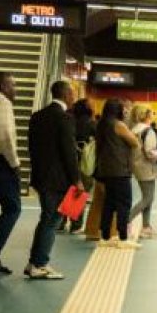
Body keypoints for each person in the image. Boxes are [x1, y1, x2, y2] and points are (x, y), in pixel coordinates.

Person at [26, 81, 82, 279]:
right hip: (58, 180)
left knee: (47, 218)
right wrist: (77, 180)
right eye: (73, 93)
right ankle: (39, 264)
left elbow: (31, 147)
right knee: (51, 219)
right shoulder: (65, 119)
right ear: (66, 94)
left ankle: (34, 261)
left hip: (41, 176)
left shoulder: (37, 116)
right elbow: (69, 153)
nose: (74, 97)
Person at [94, 99, 142, 249]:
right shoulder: (118, 125)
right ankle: (122, 238)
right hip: (120, 170)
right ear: (118, 110)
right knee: (124, 203)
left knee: (109, 204)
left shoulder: (101, 124)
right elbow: (134, 142)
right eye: (123, 109)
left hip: (106, 169)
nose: (125, 111)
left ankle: (105, 236)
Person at [129, 104, 157, 239]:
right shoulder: (148, 131)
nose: (153, 115)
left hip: (137, 166)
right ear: (146, 115)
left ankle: (146, 227)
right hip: (147, 167)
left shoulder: (134, 129)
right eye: (151, 112)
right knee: (148, 198)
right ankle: (124, 221)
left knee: (148, 198)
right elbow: (150, 152)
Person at [61, 99, 96, 234]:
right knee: (79, 192)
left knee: (68, 190)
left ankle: (62, 221)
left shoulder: (69, 121)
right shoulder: (92, 124)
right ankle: (75, 224)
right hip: (86, 161)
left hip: (69, 160)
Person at [0, 72, 20, 275]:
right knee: (13, 208)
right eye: (12, 85)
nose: (16, 89)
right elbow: (5, 135)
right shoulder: (3, 102)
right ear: (3, 87)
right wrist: (14, 164)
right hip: (1, 164)